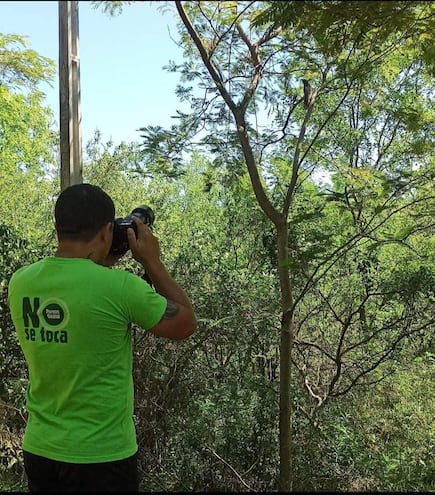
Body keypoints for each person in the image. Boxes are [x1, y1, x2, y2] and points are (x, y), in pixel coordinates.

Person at [7, 183, 197, 492]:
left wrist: (102, 258)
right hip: (102, 455)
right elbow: (186, 323)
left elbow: (79, 288)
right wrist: (152, 262)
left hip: (41, 449)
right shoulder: (120, 287)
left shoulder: (21, 282)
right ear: (108, 231)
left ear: (59, 227)